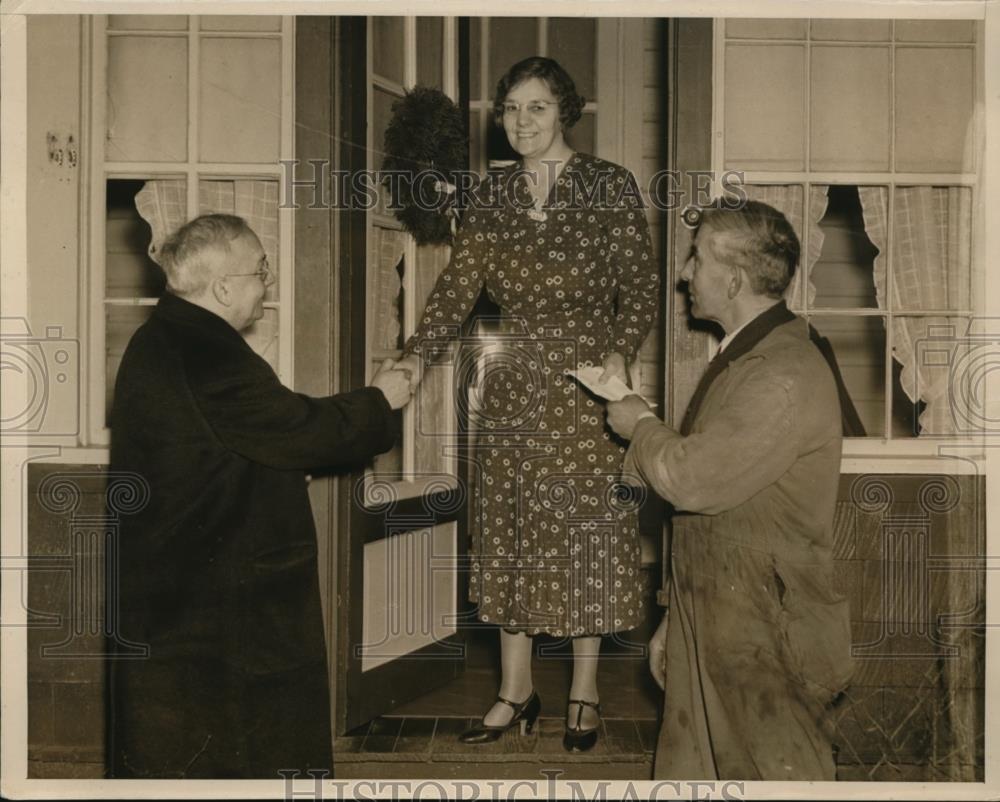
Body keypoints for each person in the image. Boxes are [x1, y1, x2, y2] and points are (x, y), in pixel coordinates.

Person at [396, 56, 659, 752]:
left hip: (585, 387)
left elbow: (639, 285)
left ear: (564, 111)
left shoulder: (608, 186)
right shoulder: (490, 195)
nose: (520, 122)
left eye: (536, 107)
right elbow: (459, 287)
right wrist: (414, 357)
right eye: (510, 109)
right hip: (513, 387)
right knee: (511, 534)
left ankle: (584, 691)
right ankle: (515, 691)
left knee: (584, 537)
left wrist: (621, 352)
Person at [108, 213, 412, 778]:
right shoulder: (211, 351)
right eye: (261, 271)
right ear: (224, 287)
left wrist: (271, 471)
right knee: (241, 746)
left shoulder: (165, 337)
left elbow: (226, 443)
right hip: (218, 598)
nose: (266, 284)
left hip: (184, 588)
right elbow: (296, 428)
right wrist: (380, 399)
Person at [606, 200, 854, 780]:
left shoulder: (781, 374)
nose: (685, 274)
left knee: (777, 777)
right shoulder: (745, 358)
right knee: (693, 772)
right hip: (715, 613)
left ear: (735, 278)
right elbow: (707, 514)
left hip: (767, 629)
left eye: (696, 259)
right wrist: (675, 615)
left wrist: (640, 424)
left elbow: (691, 481)